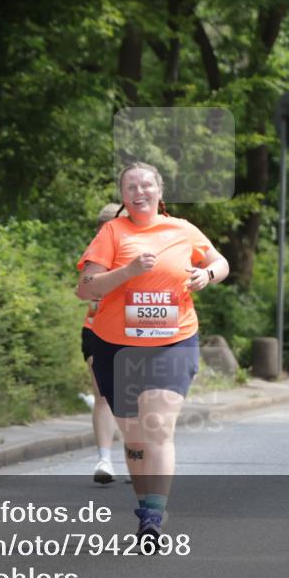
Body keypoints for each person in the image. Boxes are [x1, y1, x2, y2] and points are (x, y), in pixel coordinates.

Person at [76, 162, 228, 541]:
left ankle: (153, 517)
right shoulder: (112, 232)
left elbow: (220, 261)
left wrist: (207, 274)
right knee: (134, 439)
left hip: (173, 342)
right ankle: (146, 505)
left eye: (146, 185)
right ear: (123, 196)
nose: (139, 192)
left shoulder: (182, 229)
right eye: (131, 187)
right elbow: (86, 288)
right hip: (117, 347)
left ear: (160, 191)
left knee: (158, 425)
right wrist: (127, 271)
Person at [83, 203, 122, 484]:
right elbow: (84, 290)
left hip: (135, 332)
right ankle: (105, 460)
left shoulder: (141, 251)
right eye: (103, 229)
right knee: (102, 394)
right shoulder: (94, 255)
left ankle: (137, 457)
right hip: (95, 329)